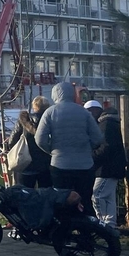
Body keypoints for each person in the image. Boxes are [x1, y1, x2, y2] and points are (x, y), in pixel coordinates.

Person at [35, 82, 104, 217]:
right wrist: (86, 149)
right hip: (84, 165)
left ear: (55, 95)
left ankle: (63, 233)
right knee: (85, 200)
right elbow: (97, 138)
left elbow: (40, 139)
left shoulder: (50, 112)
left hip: (60, 165)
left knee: (61, 201)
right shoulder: (84, 112)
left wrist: (52, 151)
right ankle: (87, 232)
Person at [2, 96, 52, 189]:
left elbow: (13, 139)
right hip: (46, 164)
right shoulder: (50, 120)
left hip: (26, 162)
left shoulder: (24, 120)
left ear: (34, 107)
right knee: (46, 194)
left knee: (25, 194)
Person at [90, 103, 127, 227]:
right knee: (109, 198)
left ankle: (102, 224)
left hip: (106, 168)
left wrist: (92, 156)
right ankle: (110, 224)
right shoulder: (111, 123)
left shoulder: (105, 125)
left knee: (97, 196)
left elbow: (106, 147)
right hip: (113, 167)